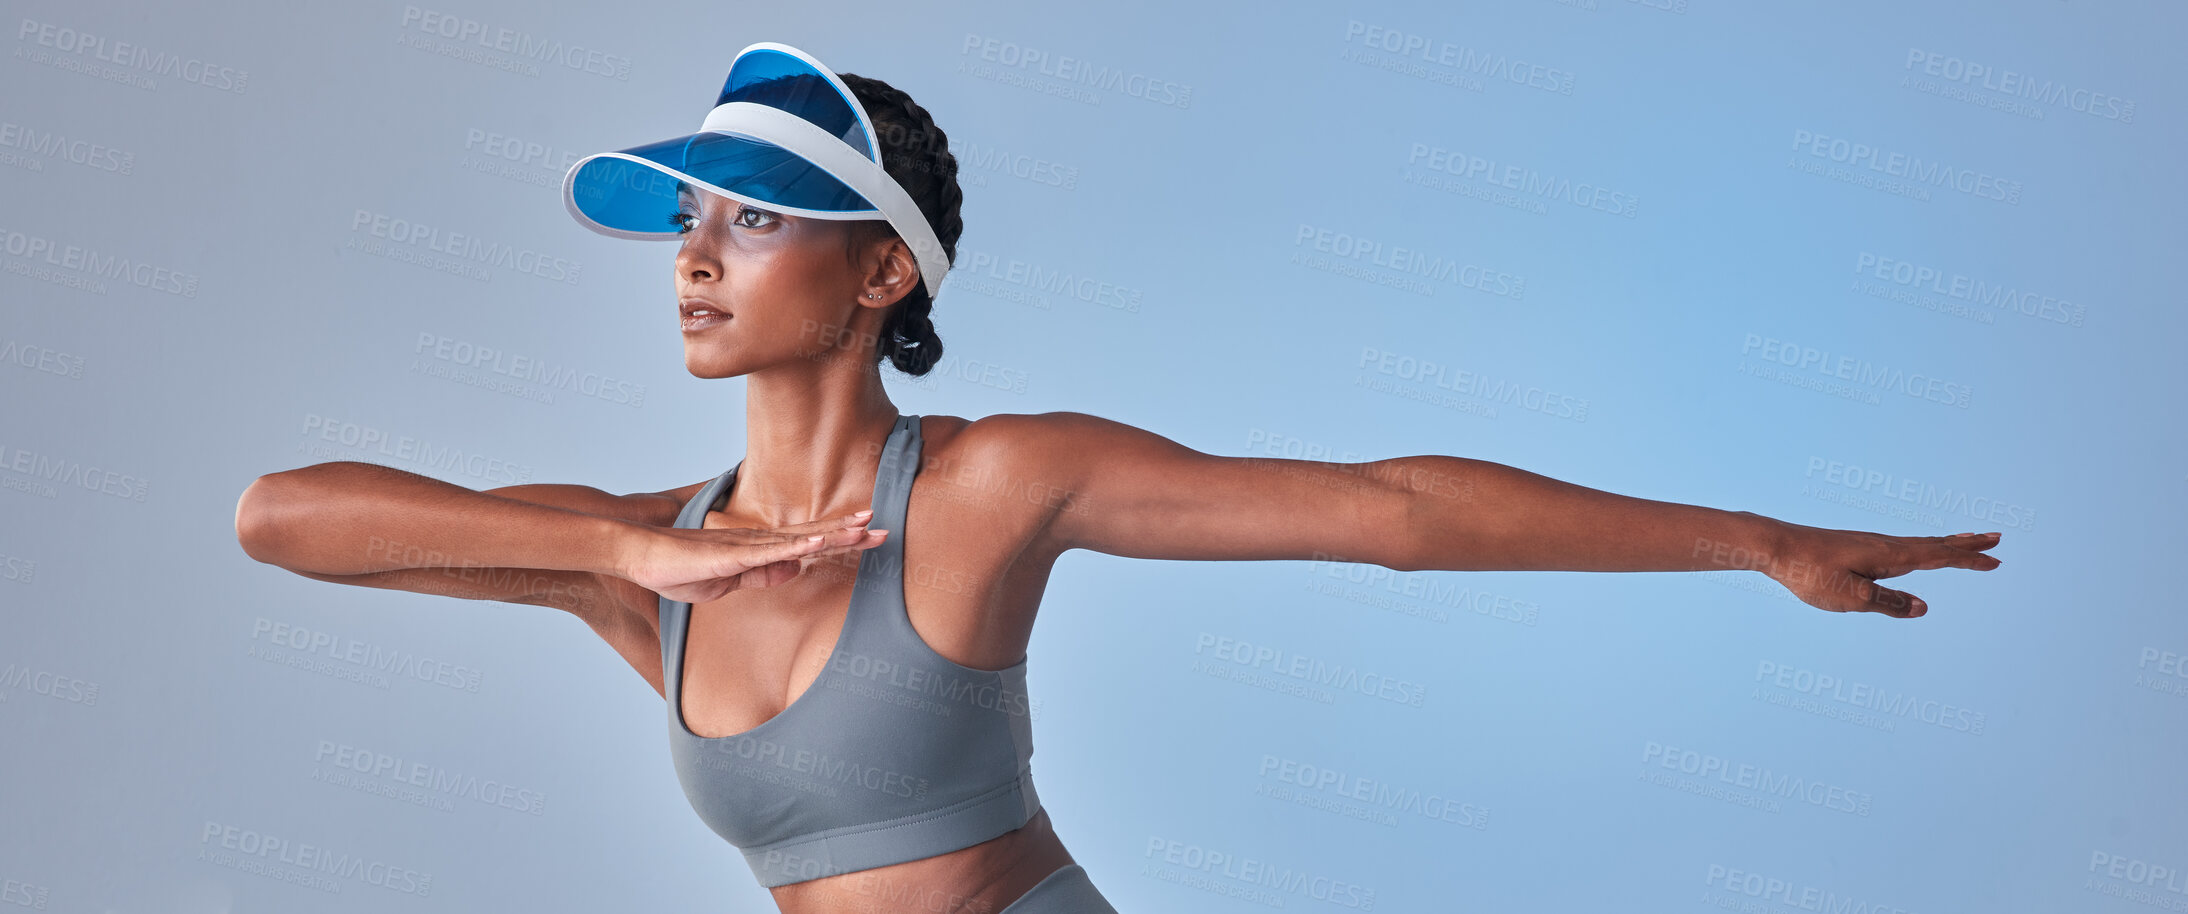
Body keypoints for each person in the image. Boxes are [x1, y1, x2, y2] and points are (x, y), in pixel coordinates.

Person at [232, 42, 2003, 914]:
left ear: (880, 273)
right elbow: (284, 516)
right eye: (688, 223)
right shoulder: (651, 557)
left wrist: (1756, 540)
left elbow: (1389, 510)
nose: (693, 256)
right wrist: (629, 548)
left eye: (751, 217)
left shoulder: (995, 486)